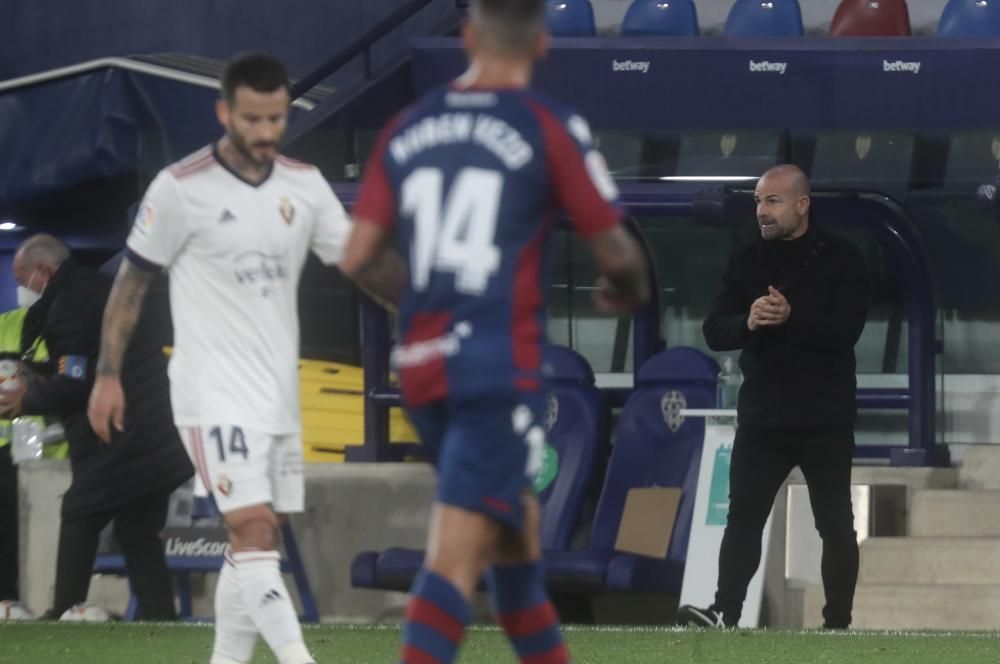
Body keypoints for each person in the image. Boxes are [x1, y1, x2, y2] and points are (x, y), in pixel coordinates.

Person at [339, 1, 650, 661]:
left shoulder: (407, 126)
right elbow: (619, 253)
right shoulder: (546, 125)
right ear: (541, 41)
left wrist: (427, 309)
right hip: (494, 368)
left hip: (421, 367)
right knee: (455, 556)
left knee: (513, 543)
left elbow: (358, 252)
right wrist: (626, 289)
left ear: (470, 37)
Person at [87, 52, 354, 664]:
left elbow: (359, 260)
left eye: (276, 118)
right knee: (254, 527)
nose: (265, 132)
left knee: (258, 539)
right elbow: (131, 284)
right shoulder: (181, 188)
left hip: (276, 397)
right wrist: (106, 374)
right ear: (224, 112)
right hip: (210, 392)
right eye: (253, 118)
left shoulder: (303, 185)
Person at [677, 164, 868, 630]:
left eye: (773, 201)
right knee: (742, 519)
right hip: (763, 415)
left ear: (802, 204)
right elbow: (714, 330)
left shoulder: (843, 257)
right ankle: (725, 612)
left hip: (824, 415)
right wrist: (748, 321)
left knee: (834, 524)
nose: (762, 211)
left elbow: (846, 332)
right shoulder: (745, 258)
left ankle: (837, 623)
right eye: (759, 201)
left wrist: (790, 316)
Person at [0, 235, 192, 620]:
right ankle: (161, 620)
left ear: (43, 271)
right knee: (137, 529)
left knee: (80, 510)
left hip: (128, 431)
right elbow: (80, 367)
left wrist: (26, 400)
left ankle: (63, 613)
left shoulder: (70, 304)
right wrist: (37, 376)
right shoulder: (93, 290)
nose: (22, 290)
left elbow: (74, 383)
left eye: (23, 279)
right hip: (160, 432)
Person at [0, 305, 68, 611]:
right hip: (9, 451)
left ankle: (23, 600)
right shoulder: (7, 324)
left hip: (54, 456)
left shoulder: (67, 324)